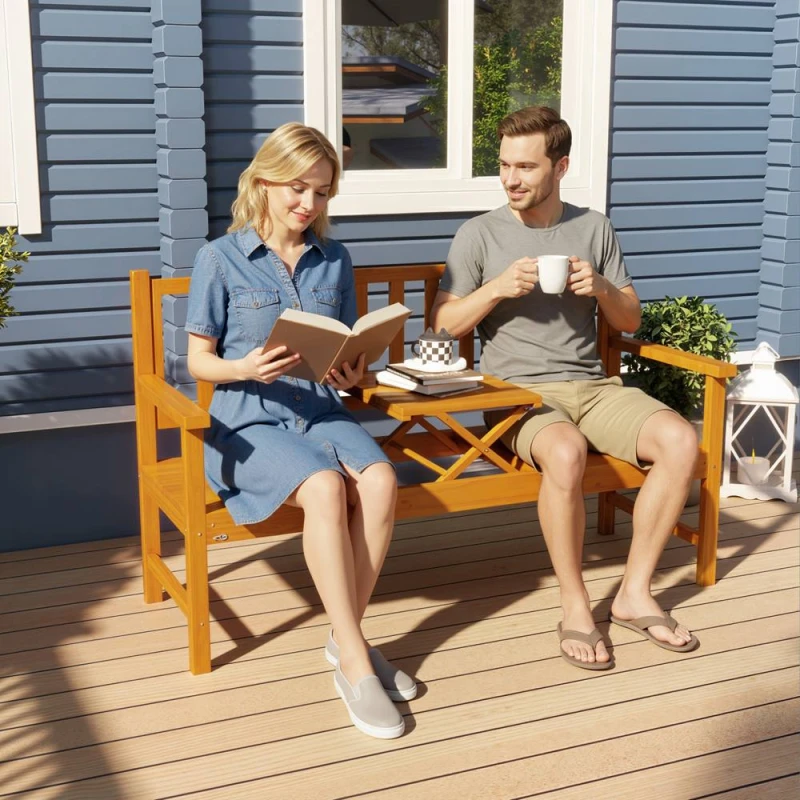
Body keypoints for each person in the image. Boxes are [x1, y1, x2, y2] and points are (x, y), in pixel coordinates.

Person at [431, 106, 699, 670]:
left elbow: (628, 320)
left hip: (594, 387)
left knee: (680, 441)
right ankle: (575, 603)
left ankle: (633, 595)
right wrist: (498, 288)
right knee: (567, 452)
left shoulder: (594, 227)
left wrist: (601, 286)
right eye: (504, 165)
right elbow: (443, 325)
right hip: (517, 396)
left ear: (561, 166)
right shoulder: (478, 234)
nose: (511, 179)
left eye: (526, 167)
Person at [185, 122, 416, 738]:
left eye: (320, 192)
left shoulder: (334, 258)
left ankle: (347, 642)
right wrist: (242, 366)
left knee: (383, 480)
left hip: (319, 409)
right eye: (295, 188)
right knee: (323, 487)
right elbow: (197, 361)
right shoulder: (219, 257)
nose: (308, 204)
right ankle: (356, 663)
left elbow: (339, 352)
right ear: (262, 182)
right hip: (247, 417)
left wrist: (352, 367)